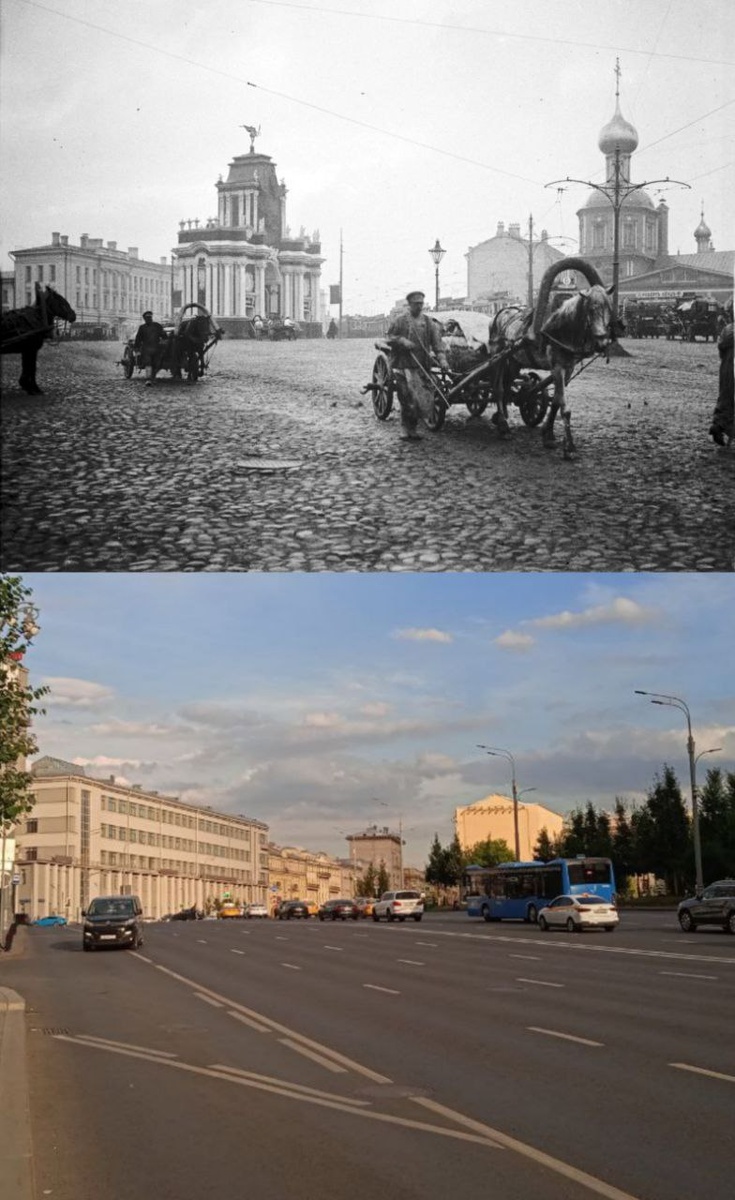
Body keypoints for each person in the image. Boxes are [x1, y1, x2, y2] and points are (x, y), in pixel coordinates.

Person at [386, 290, 449, 440]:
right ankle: (404, 428)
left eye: (421, 303)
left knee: (418, 399)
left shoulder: (428, 322)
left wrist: (442, 359)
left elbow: (437, 344)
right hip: (403, 365)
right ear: (409, 304)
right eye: (416, 304)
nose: (419, 306)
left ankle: (412, 428)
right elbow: (390, 337)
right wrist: (402, 341)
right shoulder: (400, 321)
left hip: (421, 366)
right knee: (405, 397)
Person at [709, 299, 733, 446]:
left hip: (727, 368)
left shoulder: (728, 329)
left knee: (725, 397)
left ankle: (718, 425)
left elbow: (721, 349)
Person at [133, 310, 165, 386]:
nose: (148, 319)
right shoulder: (142, 327)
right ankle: (149, 379)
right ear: (144, 319)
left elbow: (164, 336)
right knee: (148, 363)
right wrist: (137, 348)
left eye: (149, 317)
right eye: (147, 318)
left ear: (151, 318)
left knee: (155, 364)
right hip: (147, 349)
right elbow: (138, 338)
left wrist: (163, 341)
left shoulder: (157, 326)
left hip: (156, 349)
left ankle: (152, 378)